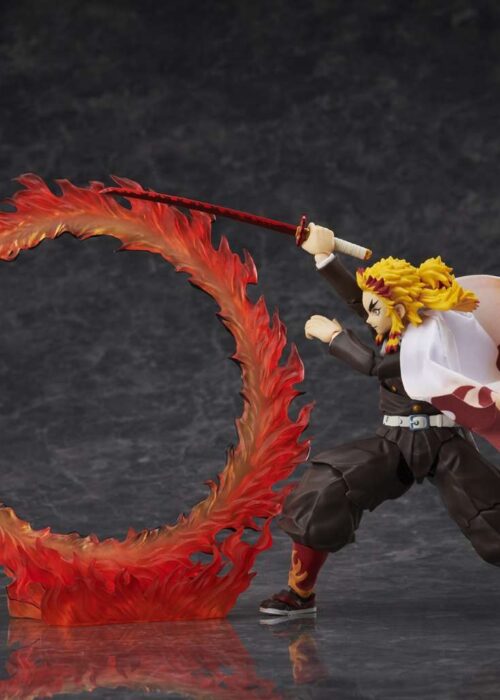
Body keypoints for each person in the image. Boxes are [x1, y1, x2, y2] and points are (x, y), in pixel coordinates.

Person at [260, 224, 500, 616]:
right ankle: (300, 592)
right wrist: (323, 256)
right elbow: (362, 301)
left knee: (491, 513)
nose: (368, 317)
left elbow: (374, 365)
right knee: (324, 489)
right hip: (395, 442)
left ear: (399, 308)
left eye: (376, 311)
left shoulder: (431, 340)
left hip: (445, 444)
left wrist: (334, 337)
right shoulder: (391, 326)